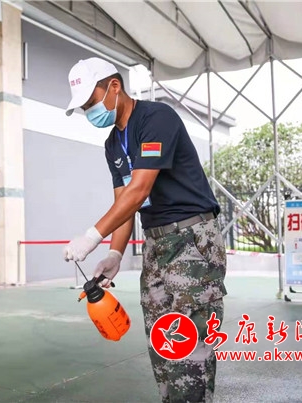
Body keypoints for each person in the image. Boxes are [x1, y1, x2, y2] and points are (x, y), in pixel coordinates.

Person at [62, 56, 228, 403]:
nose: (89, 112)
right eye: (84, 108)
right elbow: (125, 203)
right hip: (156, 244)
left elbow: (139, 189)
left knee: (189, 343)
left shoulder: (156, 118)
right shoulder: (112, 144)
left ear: (114, 86)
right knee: (162, 339)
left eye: (91, 102)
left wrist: (92, 236)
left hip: (191, 239)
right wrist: (114, 253)